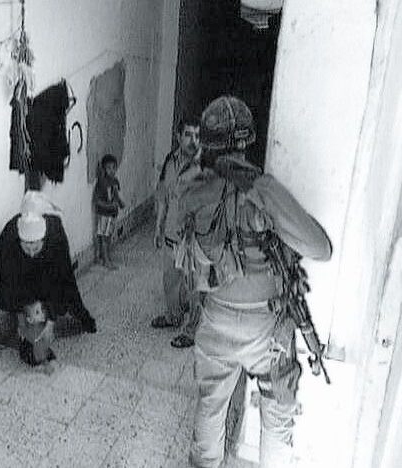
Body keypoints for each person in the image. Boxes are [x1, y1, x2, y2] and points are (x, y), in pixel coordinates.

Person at [174, 96, 332, 468]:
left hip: (214, 319)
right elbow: (320, 248)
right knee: (277, 413)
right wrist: (262, 189)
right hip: (266, 329)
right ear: (248, 141)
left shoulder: (192, 188)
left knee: (211, 404)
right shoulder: (261, 189)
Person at [0, 202, 97, 364]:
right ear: (20, 242)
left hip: (48, 262)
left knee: (63, 289)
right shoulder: (9, 242)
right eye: (27, 248)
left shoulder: (55, 235)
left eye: (35, 248)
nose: (31, 253)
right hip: (18, 268)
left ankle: (79, 318)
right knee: (28, 308)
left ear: (44, 240)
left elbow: (63, 278)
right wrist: (22, 323)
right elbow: (11, 287)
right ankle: (29, 341)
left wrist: (51, 322)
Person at [151, 116, 204, 349]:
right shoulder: (170, 160)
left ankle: (192, 330)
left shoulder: (205, 166)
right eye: (188, 135)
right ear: (179, 137)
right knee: (170, 278)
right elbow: (163, 195)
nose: (193, 140)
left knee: (194, 286)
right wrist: (158, 226)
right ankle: (173, 316)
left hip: (194, 238)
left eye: (197, 136)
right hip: (172, 232)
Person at [93, 153, 125, 270]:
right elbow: (97, 201)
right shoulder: (101, 183)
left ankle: (104, 256)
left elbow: (115, 194)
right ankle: (106, 260)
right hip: (104, 215)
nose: (111, 171)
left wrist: (120, 203)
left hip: (112, 214)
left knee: (109, 236)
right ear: (104, 169)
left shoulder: (115, 181)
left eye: (113, 167)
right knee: (104, 238)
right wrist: (109, 206)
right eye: (108, 168)